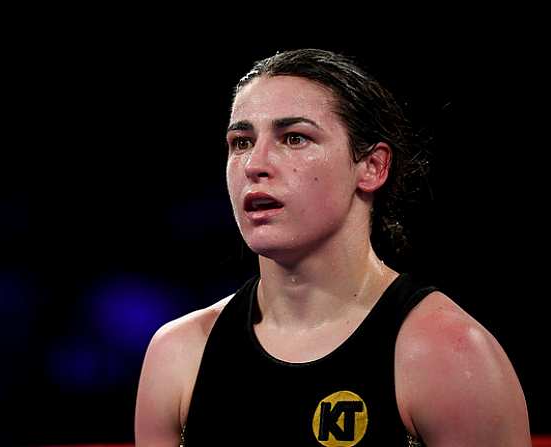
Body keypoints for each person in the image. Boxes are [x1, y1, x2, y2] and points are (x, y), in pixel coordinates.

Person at [134, 49, 531, 446]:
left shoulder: (448, 355)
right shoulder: (179, 355)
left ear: (371, 166)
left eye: (294, 138)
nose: (255, 163)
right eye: (241, 142)